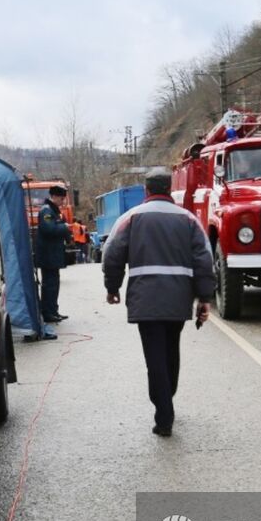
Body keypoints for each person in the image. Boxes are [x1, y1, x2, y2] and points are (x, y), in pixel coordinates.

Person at [102, 170, 216, 437]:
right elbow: (204, 259)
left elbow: (113, 254)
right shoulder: (188, 219)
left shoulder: (131, 218)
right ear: (169, 189)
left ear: (146, 189)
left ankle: (164, 415)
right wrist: (205, 298)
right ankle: (168, 397)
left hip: (145, 299)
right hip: (178, 299)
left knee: (154, 357)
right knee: (171, 350)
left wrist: (112, 287)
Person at [36, 185, 71, 323]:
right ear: (54, 196)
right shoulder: (47, 211)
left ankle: (53, 310)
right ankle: (48, 312)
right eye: (61, 199)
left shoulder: (53, 210)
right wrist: (64, 227)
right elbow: (48, 229)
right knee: (49, 285)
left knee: (54, 284)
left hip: (53, 254)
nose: (63, 202)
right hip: (48, 255)